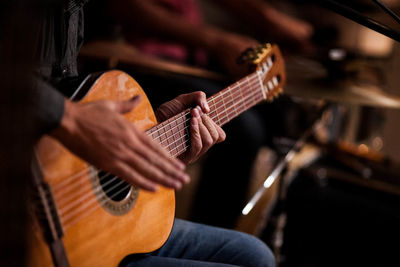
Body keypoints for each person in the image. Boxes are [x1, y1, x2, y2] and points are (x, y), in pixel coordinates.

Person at [1, 0, 275, 266]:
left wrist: (148, 135)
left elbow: (64, 101)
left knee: (254, 254)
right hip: (22, 217)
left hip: (69, 209)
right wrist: (69, 117)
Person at [84, 0, 314, 229]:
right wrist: (215, 41)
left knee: (278, 114)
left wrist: (266, 17)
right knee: (244, 129)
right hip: (134, 59)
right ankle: (205, 231)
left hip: (188, 59)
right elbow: (122, 6)